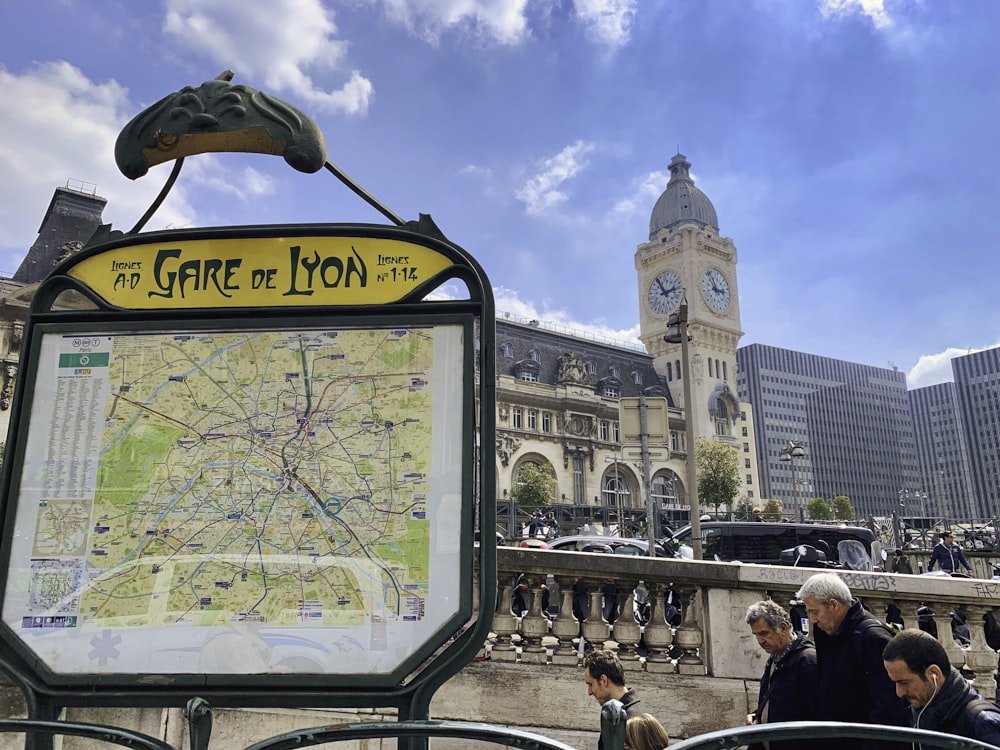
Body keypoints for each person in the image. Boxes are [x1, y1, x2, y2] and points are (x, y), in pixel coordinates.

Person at [796, 573, 909, 750]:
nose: (812, 620)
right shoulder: (826, 631)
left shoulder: (872, 637)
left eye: (814, 611)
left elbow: (888, 707)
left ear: (834, 605)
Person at [883, 629, 1000, 749]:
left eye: (904, 682)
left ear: (935, 674)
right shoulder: (918, 712)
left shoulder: (982, 723)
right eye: (895, 683)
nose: (899, 692)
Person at [744, 600, 819, 750]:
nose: (760, 641)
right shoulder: (774, 658)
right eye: (756, 635)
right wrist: (757, 715)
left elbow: (816, 716)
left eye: (764, 633)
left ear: (783, 628)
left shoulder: (807, 661)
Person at [583, 648, 641, 749]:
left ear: (603, 680)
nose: (589, 692)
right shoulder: (637, 710)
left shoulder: (630, 721)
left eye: (590, 684)